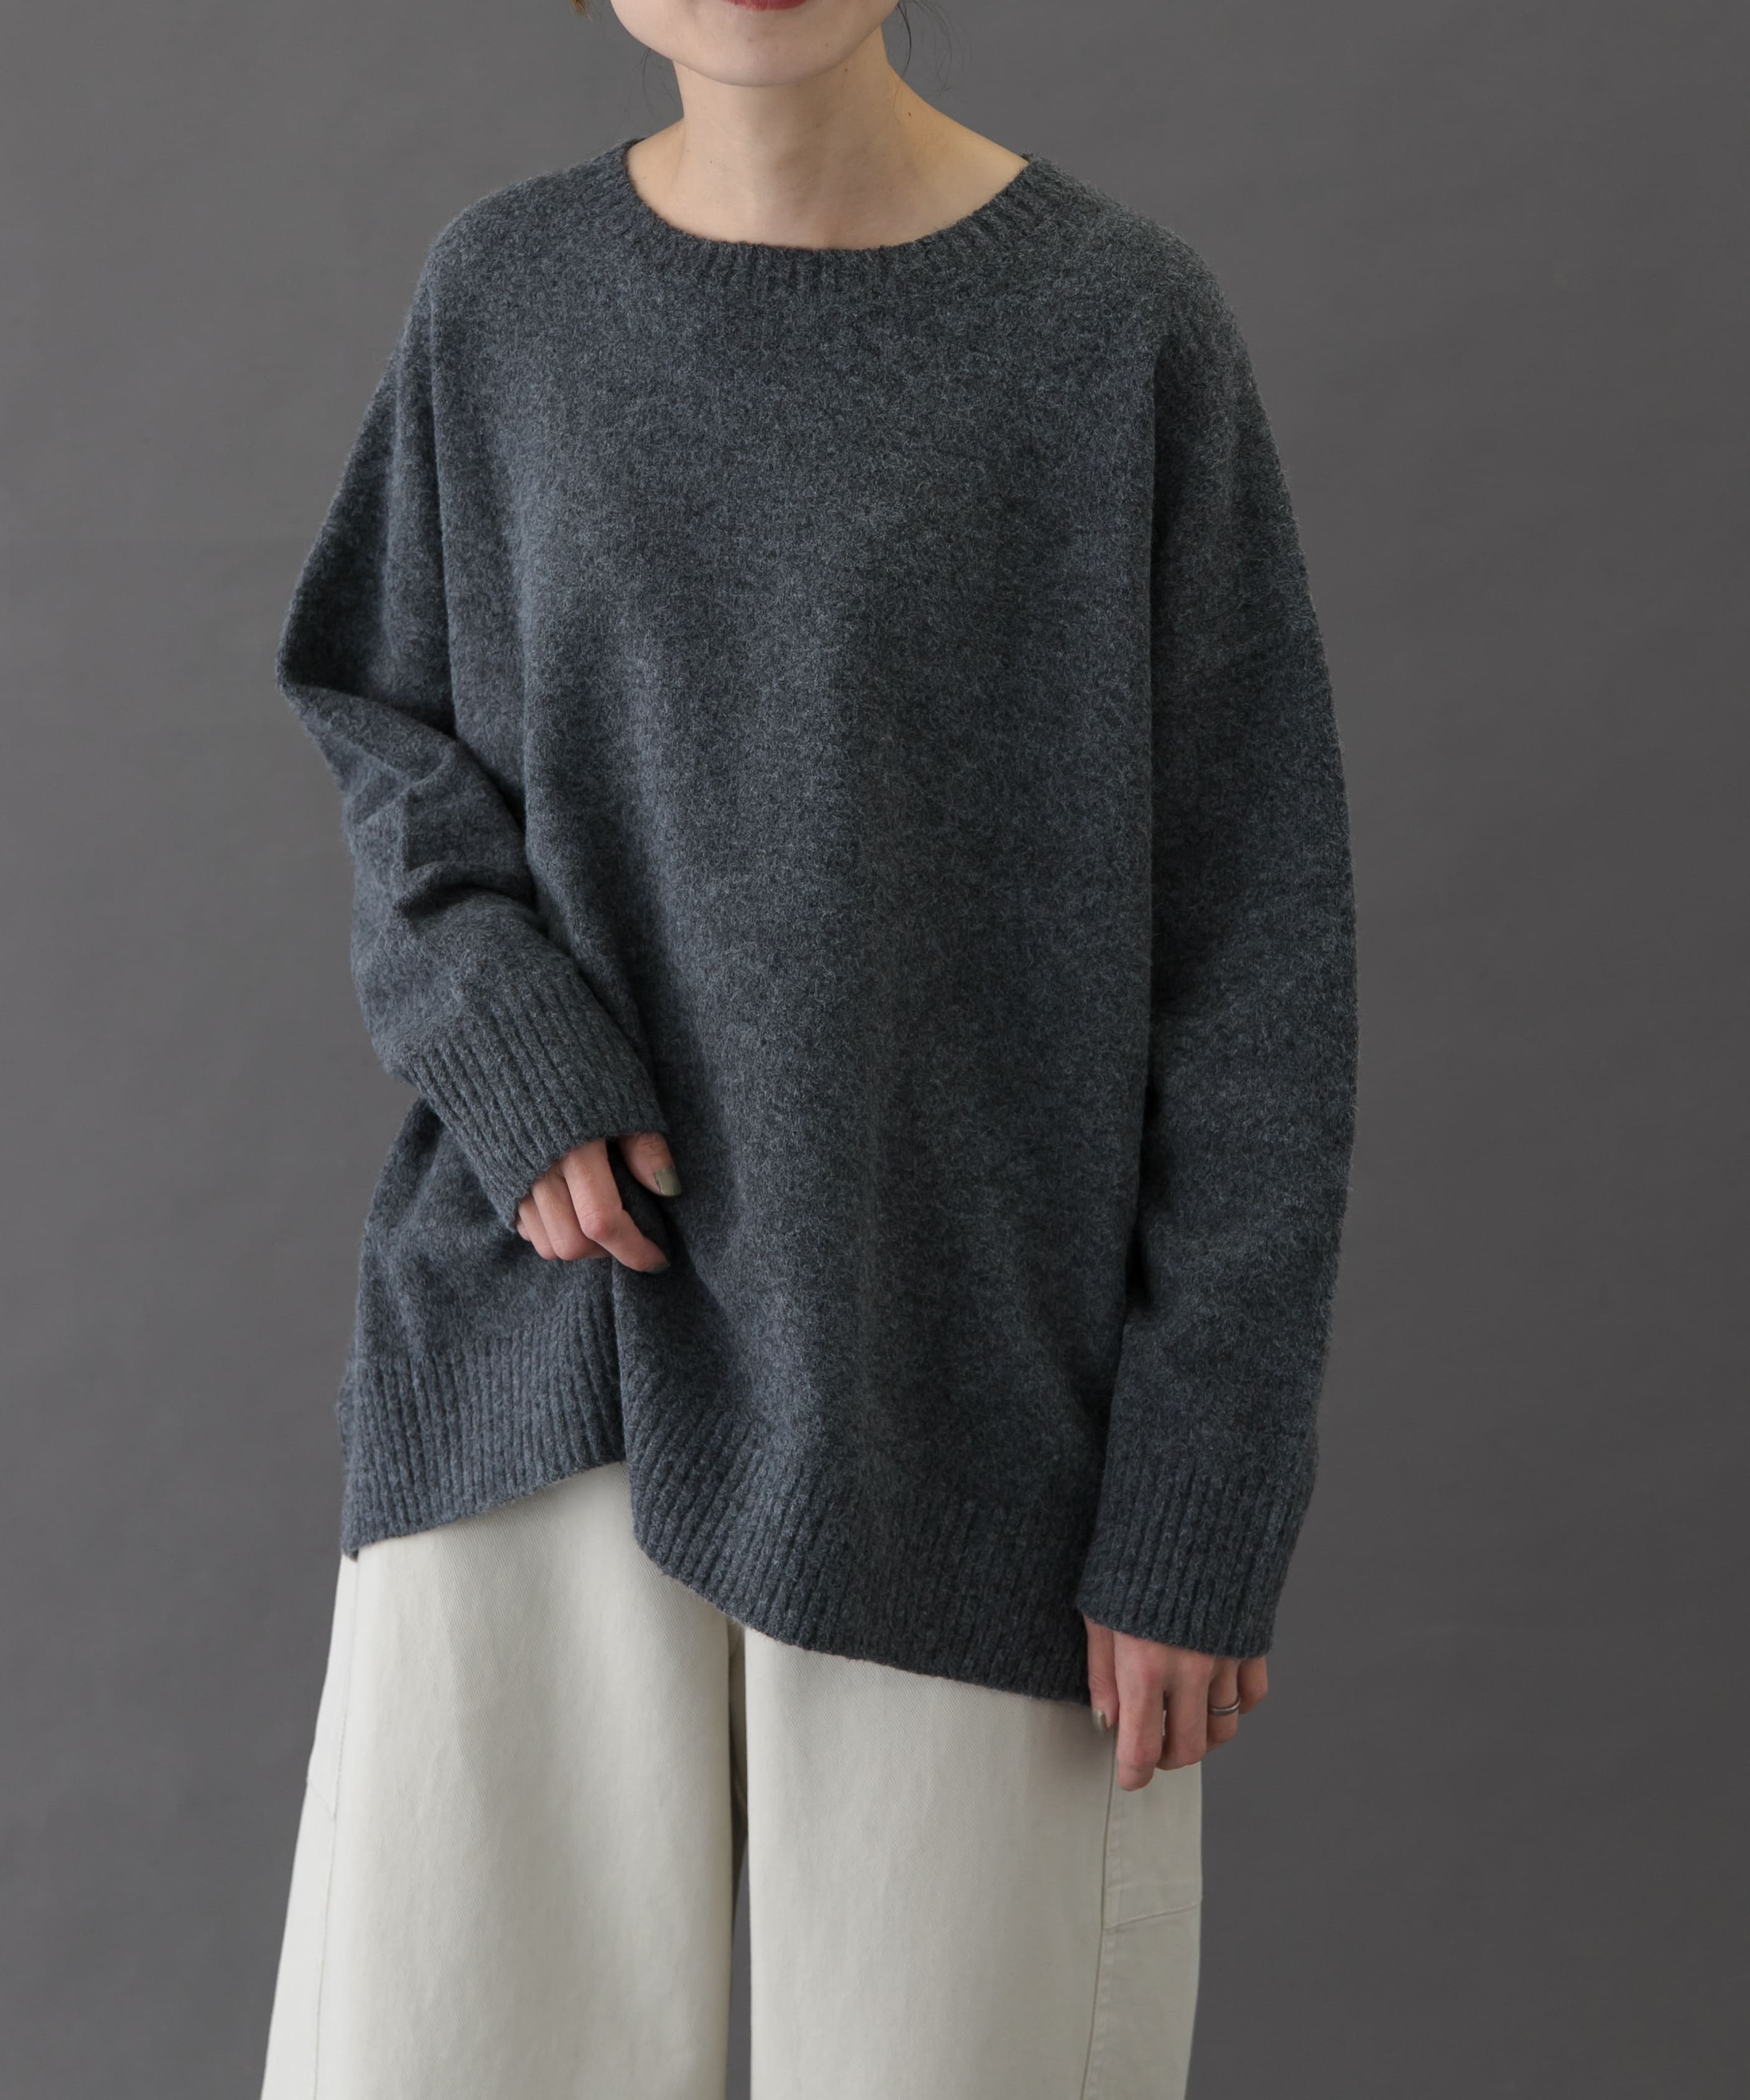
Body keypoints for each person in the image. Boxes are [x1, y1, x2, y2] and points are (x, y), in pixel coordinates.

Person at [256, 2, 1357, 2094]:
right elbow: (376, 713)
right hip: (552, 1351)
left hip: (965, 1414)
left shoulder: (1117, 331)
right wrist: (502, 1033)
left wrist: (1200, 1487)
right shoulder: (506, 298)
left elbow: (1257, 958)